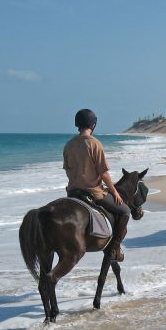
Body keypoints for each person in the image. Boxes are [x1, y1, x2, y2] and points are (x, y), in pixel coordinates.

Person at [63, 109, 129, 262]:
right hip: (93, 193)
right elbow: (103, 174)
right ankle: (114, 248)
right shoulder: (94, 144)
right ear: (93, 124)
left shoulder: (68, 145)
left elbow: (68, 170)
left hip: (72, 192)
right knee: (125, 211)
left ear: (77, 125)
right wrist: (115, 192)